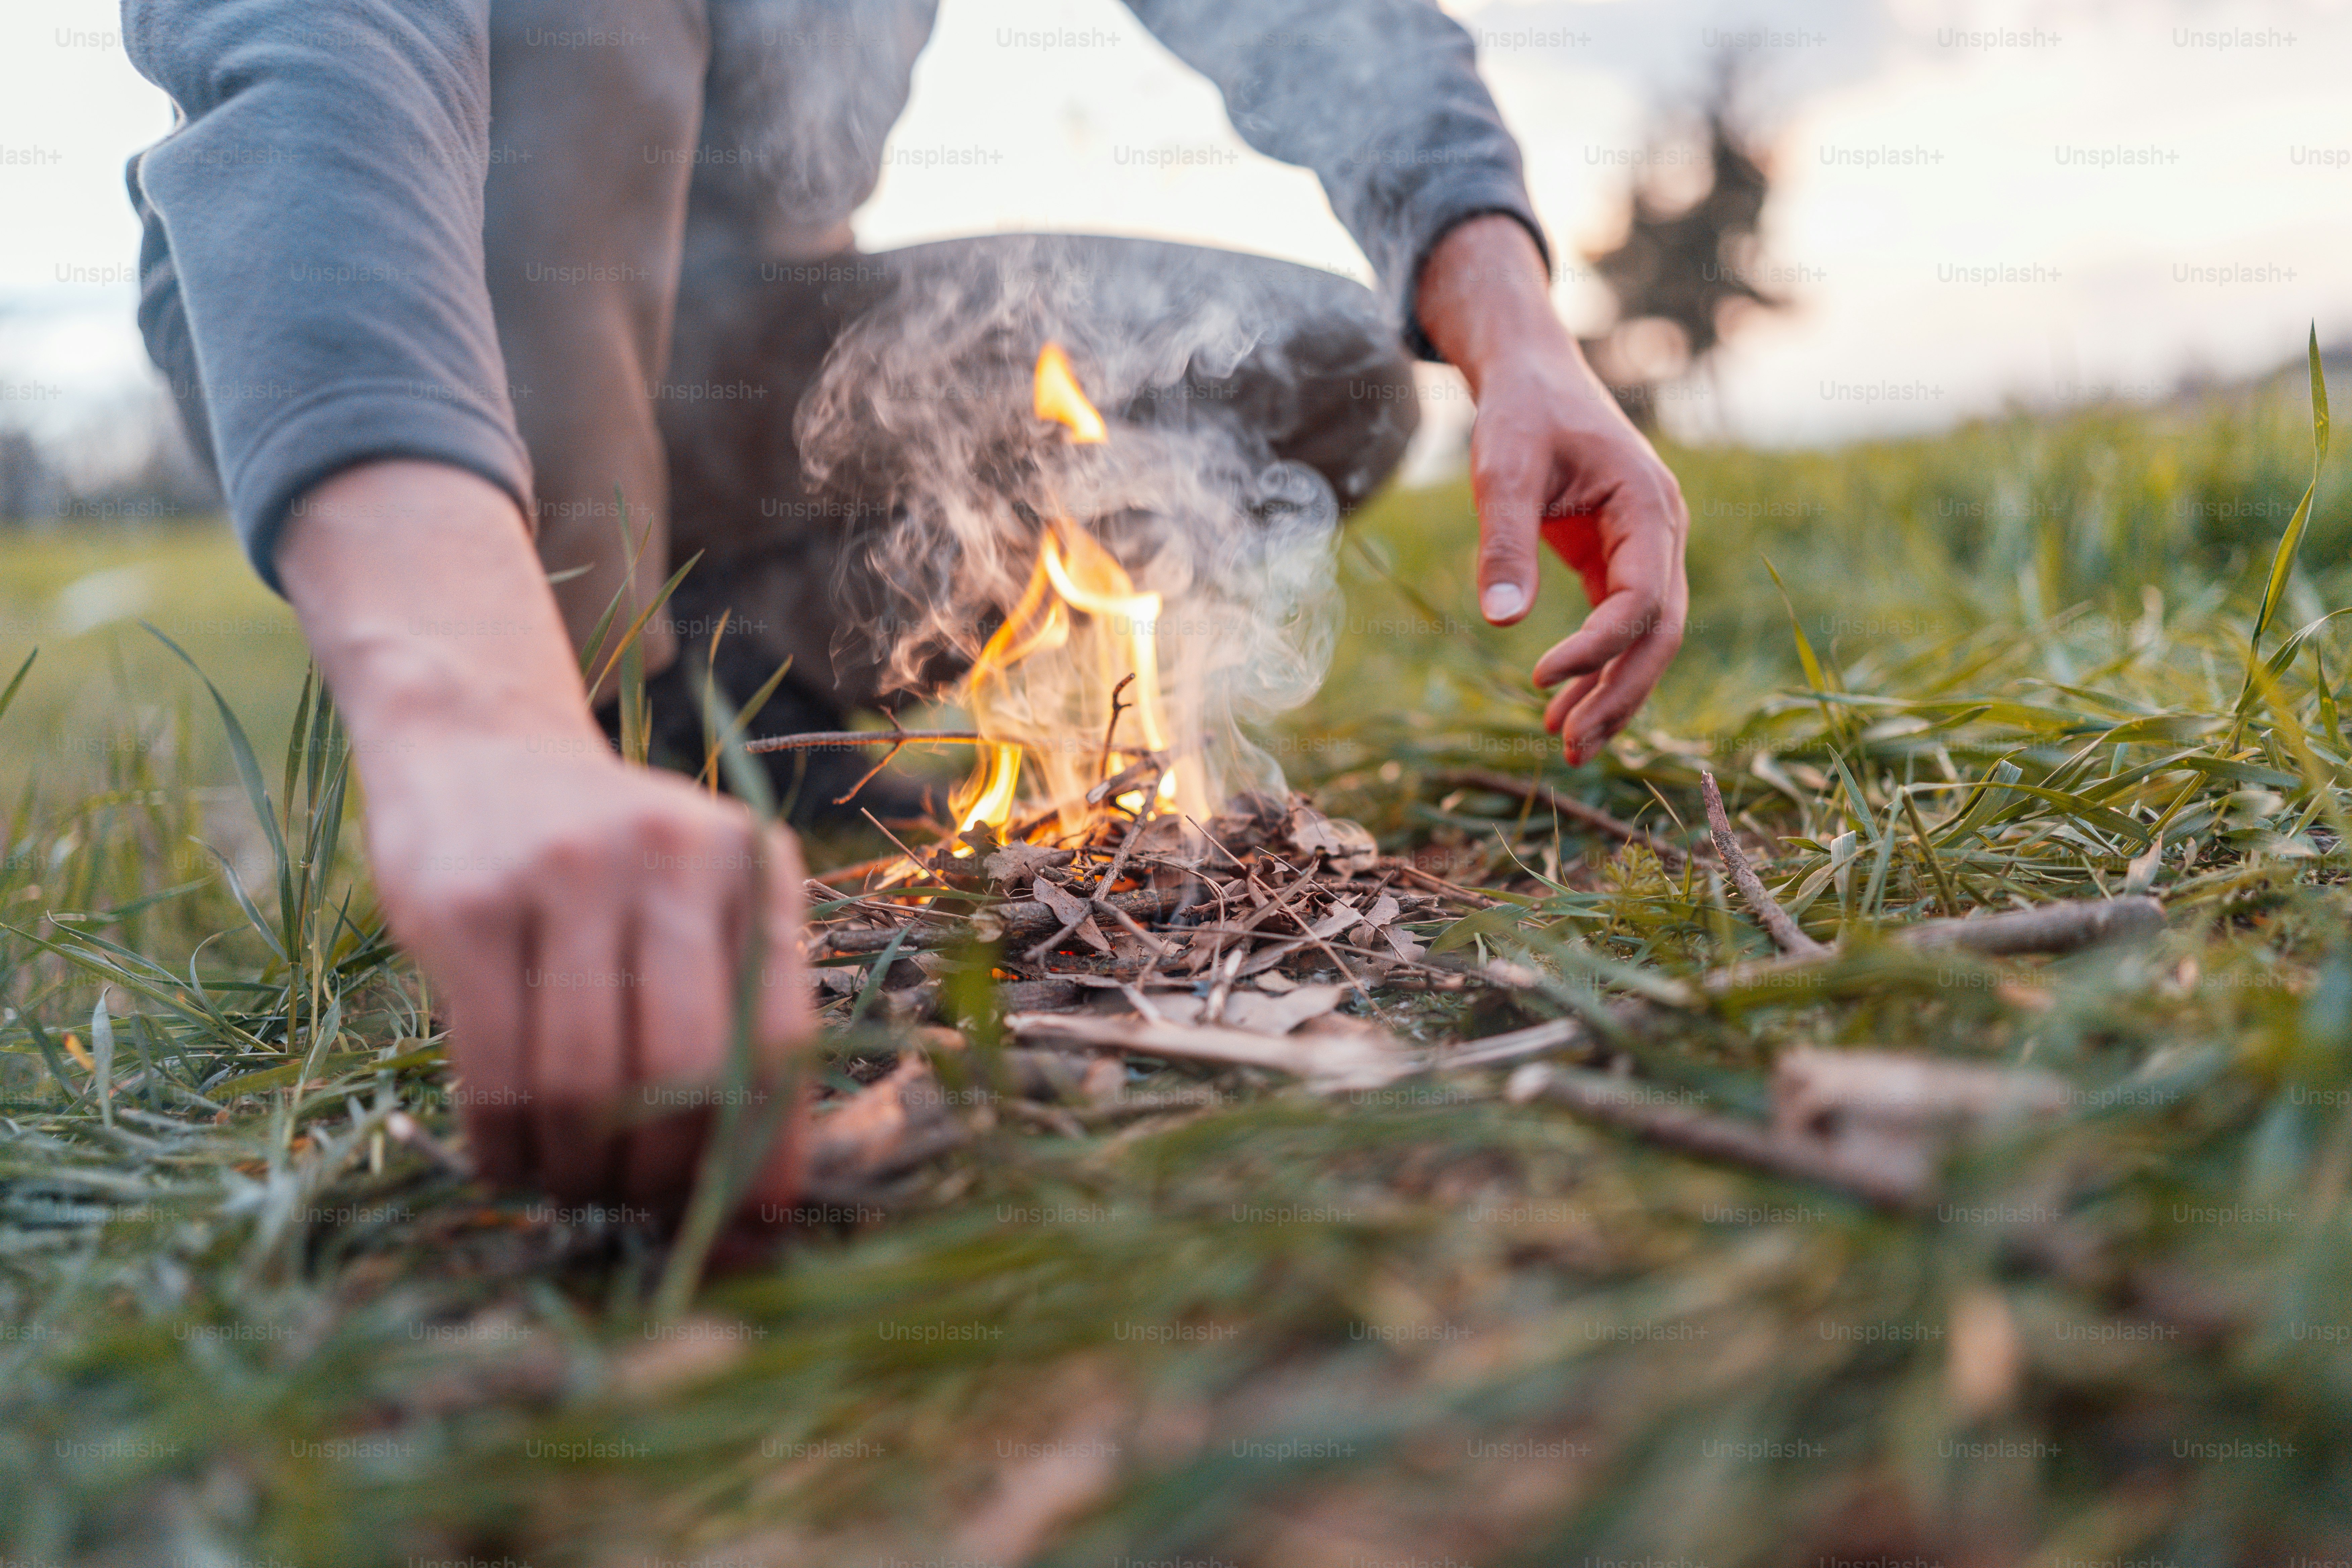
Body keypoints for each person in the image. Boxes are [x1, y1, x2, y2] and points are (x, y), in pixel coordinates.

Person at [121, 0, 1689, 1219]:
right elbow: (314, 62)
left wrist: (1516, 327)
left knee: (1309, 375)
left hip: (759, 350)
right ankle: (580, 716)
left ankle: (738, 704)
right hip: (419, 317)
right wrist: (466, 709)